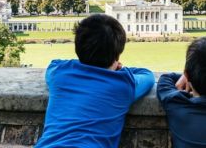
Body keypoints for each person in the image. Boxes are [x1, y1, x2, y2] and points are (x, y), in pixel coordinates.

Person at [35, 14, 155, 148]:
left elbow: (54, 64)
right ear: (117, 55)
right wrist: (119, 69)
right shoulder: (122, 84)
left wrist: (82, 63)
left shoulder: (59, 74)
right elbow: (148, 76)